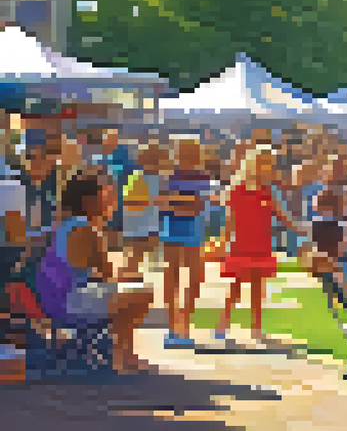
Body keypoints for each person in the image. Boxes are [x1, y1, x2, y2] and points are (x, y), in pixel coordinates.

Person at [34, 174, 154, 373]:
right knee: (141, 295)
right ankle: (121, 357)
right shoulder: (88, 229)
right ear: (88, 201)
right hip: (69, 301)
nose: (108, 202)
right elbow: (108, 274)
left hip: (53, 299)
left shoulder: (65, 225)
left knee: (132, 292)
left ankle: (122, 355)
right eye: (103, 196)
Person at [213, 145, 305, 344]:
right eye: (265, 164)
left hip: (261, 246)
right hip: (241, 246)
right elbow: (230, 221)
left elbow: (281, 215)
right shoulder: (237, 191)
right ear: (254, 165)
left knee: (257, 288)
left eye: (271, 165)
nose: (269, 168)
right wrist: (222, 243)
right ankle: (222, 324)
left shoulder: (267, 191)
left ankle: (256, 328)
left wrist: (298, 228)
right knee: (236, 286)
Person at [161, 140, 213, 348]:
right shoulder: (168, 175)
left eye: (188, 151)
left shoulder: (202, 177)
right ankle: (173, 326)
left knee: (194, 277)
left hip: (192, 230)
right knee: (173, 276)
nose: (184, 155)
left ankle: (184, 325)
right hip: (172, 228)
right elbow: (163, 203)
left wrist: (176, 201)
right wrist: (183, 201)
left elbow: (198, 206)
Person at [120, 142, 169, 277]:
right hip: (138, 221)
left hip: (145, 220)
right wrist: (151, 202)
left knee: (143, 247)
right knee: (137, 249)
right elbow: (129, 199)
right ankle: (129, 270)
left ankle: (132, 269)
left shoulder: (152, 177)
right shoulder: (140, 177)